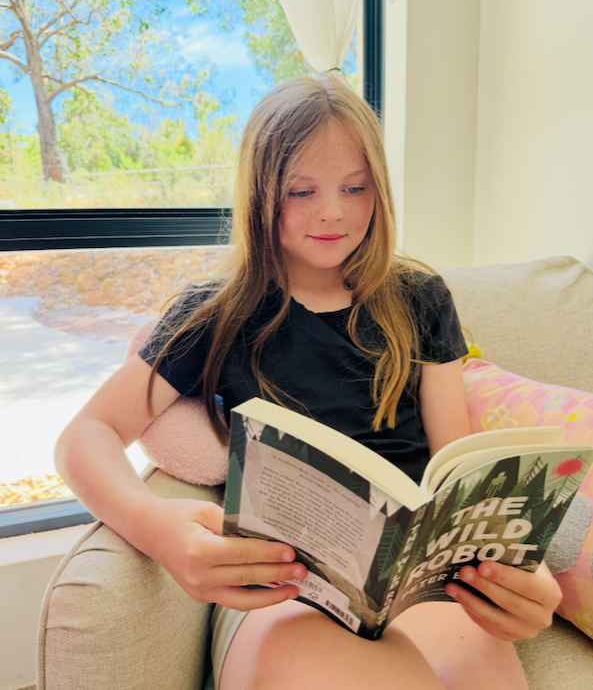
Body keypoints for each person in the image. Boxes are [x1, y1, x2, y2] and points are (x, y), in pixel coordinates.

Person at [55, 74, 561, 690]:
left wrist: (513, 576)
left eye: (356, 187)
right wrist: (154, 527)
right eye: (301, 191)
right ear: (260, 195)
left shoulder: (419, 298)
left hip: (414, 586)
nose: (332, 211)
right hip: (284, 581)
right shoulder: (216, 313)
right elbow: (88, 431)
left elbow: (454, 469)